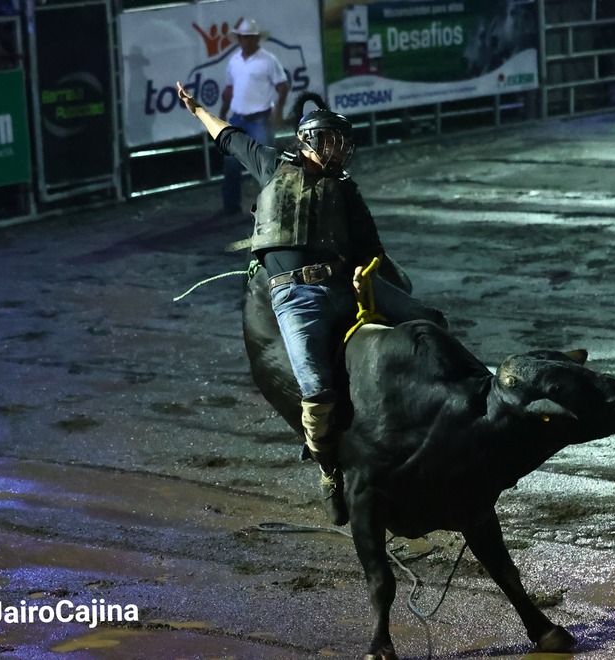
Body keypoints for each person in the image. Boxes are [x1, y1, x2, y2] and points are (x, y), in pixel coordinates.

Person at [176, 82, 447, 524]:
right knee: (317, 395)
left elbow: (371, 248)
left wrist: (367, 272)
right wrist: (198, 110)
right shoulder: (271, 164)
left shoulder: (347, 191)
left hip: (344, 283)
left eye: (342, 143)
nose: (338, 150)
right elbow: (230, 137)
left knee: (430, 322)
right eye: (330, 141)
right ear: (307, 141)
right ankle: (329, 471)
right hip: (294, 295)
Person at [218, 18, 289, 216]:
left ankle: (273, 207)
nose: (247, 41)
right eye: (244, 37)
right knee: (232, 163)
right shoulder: (234, 61)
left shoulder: (268, 60)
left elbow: (283, 86)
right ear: (240, 39)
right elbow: (229, 90)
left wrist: (278, 110)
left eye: (251, 37)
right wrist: (223, 113)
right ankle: (231, 207)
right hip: (238, 118)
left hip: (260, 118)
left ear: (257, 39)